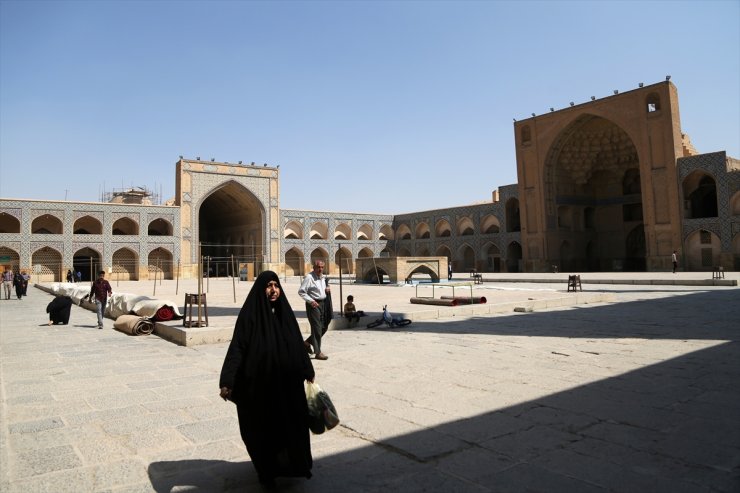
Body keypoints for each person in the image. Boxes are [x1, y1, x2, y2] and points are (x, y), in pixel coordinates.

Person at [219, 271, 315, 488]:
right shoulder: (250, 316)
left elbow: (297, 344)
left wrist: (307, 369)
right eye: (269, 286)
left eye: (276, 285)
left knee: (290, 428)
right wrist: (227, 380)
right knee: (262, 431)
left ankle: (293, 466)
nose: (273, 290)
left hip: (287, 385)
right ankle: (266, 473)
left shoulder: (285, 314)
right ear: (261, 289)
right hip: (261, 388)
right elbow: (238, 348)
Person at [298, 260, 330, 360]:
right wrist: (311, 301)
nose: (320, 269)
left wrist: (327, 288)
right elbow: (301, 292)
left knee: (323, 327)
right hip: (313, 305)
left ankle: (306, 343)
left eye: (322, 267)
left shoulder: (323, 277)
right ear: (314, 267)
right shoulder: (309, 277)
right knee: (316, 328)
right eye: (318, 267)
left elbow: (322, 289)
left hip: (323, 304)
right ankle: (318, 352)